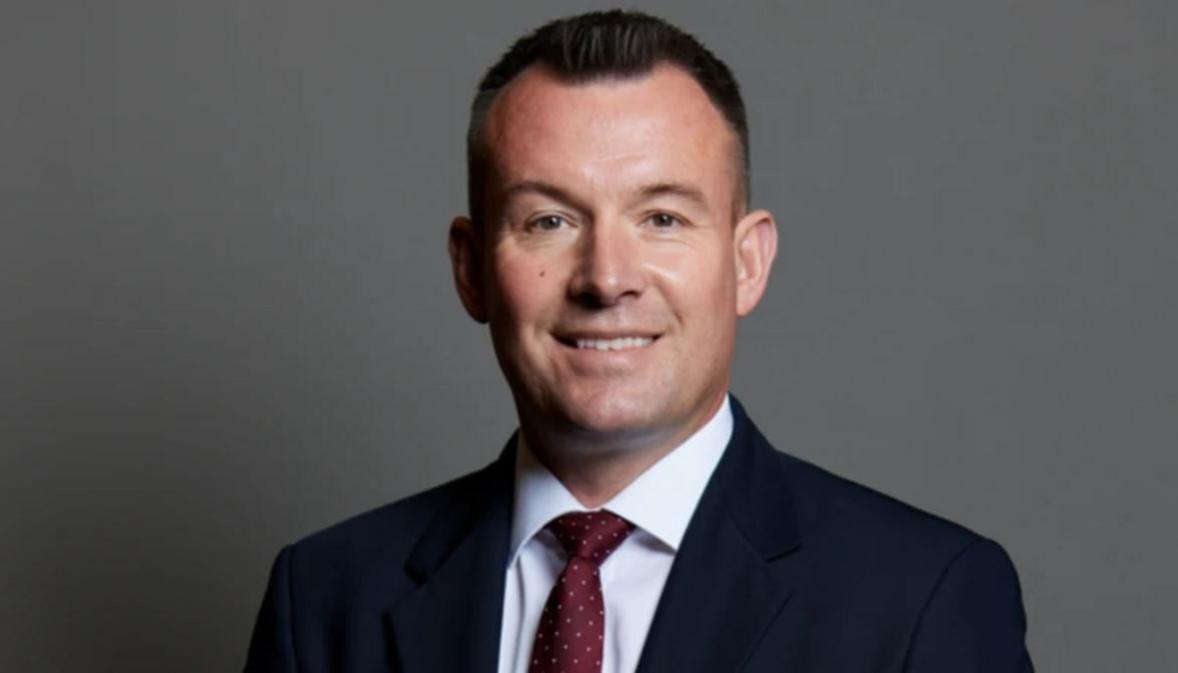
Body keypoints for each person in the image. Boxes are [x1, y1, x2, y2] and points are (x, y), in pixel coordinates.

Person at [245, 10, 1034, 673]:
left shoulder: (923, 599)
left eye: (662, 217)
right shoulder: (324, 600)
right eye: (549, 220)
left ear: (746, 262)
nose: (607, 277)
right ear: (472, 269)